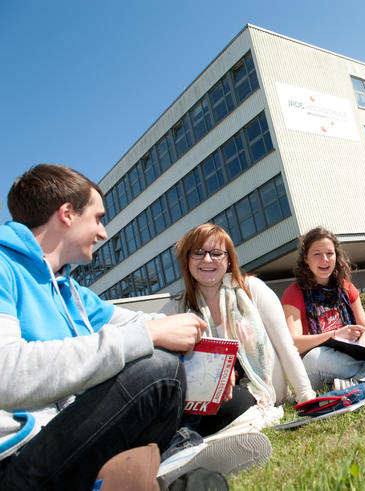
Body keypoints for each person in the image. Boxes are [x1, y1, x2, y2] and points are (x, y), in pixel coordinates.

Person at [0, 165, 269, 490]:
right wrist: (149, 336)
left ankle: (171, 464)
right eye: (98, 218)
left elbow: (148, 323)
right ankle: (175, 453)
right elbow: (8, 373)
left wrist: (211, 359)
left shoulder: (72, 293)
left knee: (230, 406)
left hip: (71, 436)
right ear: (67, 213)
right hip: (21, 460)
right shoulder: (4, 267)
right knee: (159, 369)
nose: (103, 234)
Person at [161, 223, 316, 435]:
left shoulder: (251, 289)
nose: (207, 260)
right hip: (206, 400)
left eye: (216, 253)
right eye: (198, 253)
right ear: (187, 260)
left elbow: (285, 345)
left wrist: (306, 396)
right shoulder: (175, 309)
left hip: (255, 391)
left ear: (228, 259)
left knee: (230, 406)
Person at [281, 227, 365, 390]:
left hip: (355, 354)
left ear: (336, 255)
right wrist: (334, 335)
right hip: (321, 362)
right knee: (313, 358)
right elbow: (294, 342)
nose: (325, 259)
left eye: (329, 253)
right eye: (317, 254)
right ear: (306, 258)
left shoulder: (346, 287)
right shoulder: (293, 293)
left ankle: (359, 379)